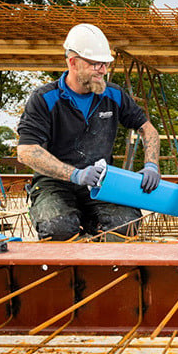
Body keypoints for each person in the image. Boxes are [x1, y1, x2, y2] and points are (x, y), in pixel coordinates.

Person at [17, 23, 161, 241]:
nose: (103, 70)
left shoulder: (114, 95)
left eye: (105, 64)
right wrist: (75, 174)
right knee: (57, 227)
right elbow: (26, 151)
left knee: (126, 223)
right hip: (54, 184)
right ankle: (69, 222)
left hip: (99, 182)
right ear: (73, 63)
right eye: (96, 65)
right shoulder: (44, 99)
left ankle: (91, 226)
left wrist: (151, 165)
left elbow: (148, 131)